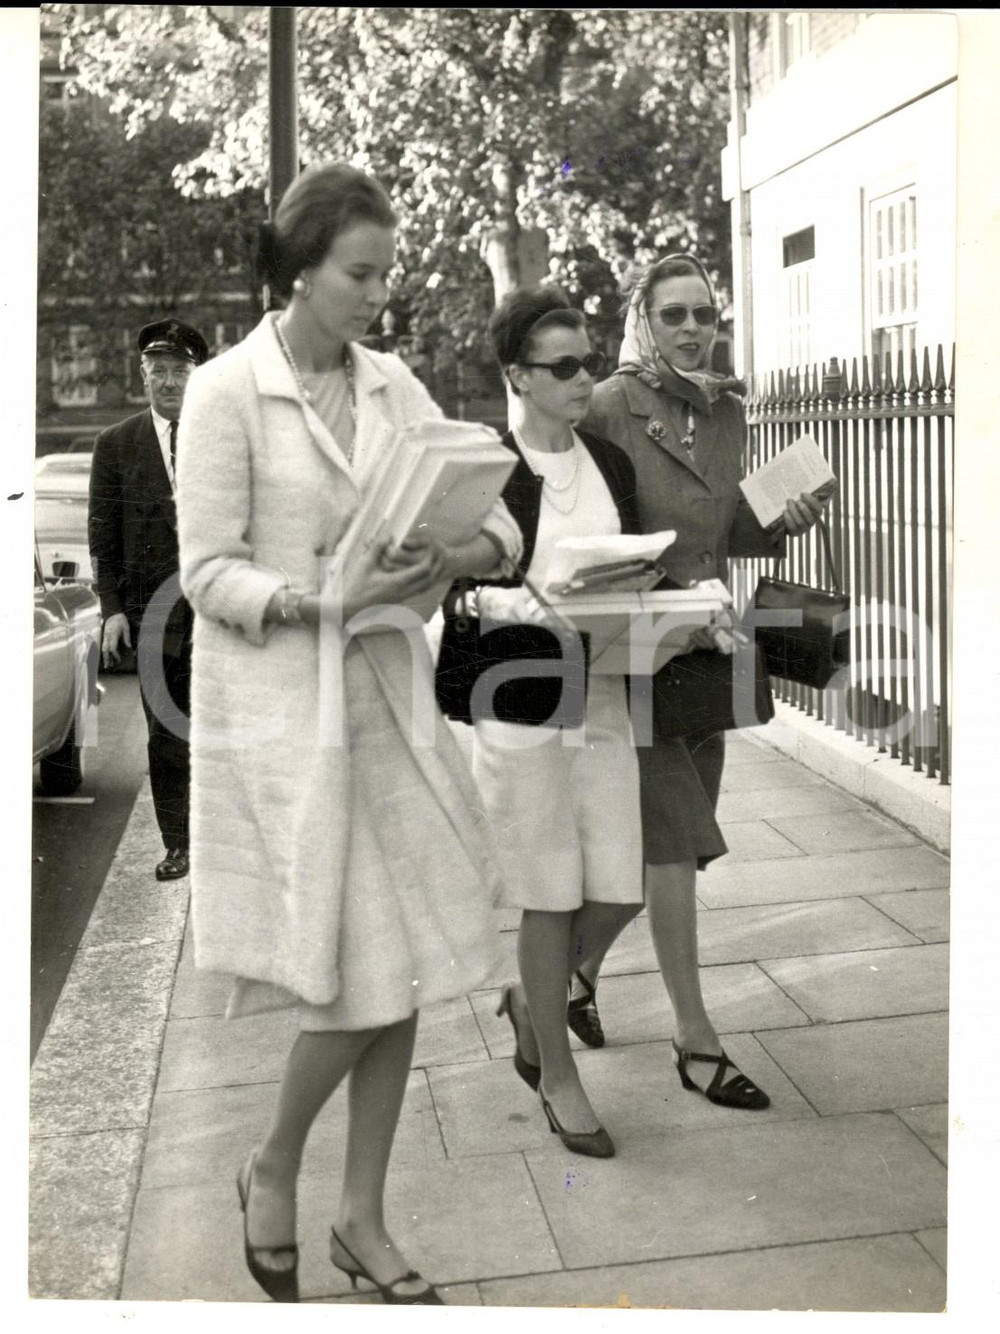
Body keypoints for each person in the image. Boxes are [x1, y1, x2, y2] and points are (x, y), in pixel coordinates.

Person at [174, 162, 522, 1304]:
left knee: (399, 968)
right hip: (286, 720)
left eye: (385, 274)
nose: (379, 295)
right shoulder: (226, 391)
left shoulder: (392, 383)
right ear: (299, 269)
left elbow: (500, 526)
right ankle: (275, 1166)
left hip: (387, 704)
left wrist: (447, 553)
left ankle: (358, 1214)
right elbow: (205, 572)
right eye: (360, 274)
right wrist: (315, 599)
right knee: (361, 977)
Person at [568, 253, 828, 1109]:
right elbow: (583, 536)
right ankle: (696, 1041)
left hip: (705, 658)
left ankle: (560, 978)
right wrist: (658, 594)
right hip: (632, 656)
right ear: (643, 319)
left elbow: (723, 530)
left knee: (674, 853)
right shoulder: (607, 406)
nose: (691, 329)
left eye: (703, 314)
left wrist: (783, 519)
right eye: (673, 313)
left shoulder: (726, 411)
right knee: (675, 848)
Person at [463, 286, 645, 1159]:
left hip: (602, 694)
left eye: (589, 363)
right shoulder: (489, 470)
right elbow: (455, 595)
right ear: (518, 376)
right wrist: (524, 606)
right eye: (564, 366)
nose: (583, 379)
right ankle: (558, 1076)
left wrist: (678, 612)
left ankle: (531, 1003)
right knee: (550, 893)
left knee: (620, 886)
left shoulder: (610, 464)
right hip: (522, 701)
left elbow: (637, 571)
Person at [88, 317, 210, 881]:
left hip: (218, 616)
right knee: (165, 735)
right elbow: (103, 537)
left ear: (195, 375)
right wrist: (112, 609)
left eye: (179, 371)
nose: (168, 381)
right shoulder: (116, 445)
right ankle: (179, 844)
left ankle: (224, 841)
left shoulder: (224, 437)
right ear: (143, 376)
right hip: (153, 618)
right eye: (158, 370)